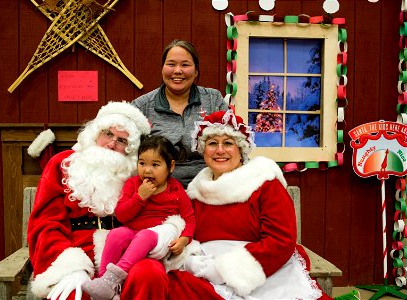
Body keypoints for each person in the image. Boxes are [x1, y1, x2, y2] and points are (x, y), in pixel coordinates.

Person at [120, 109, 332, 300]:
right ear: (203, 151)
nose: (220, 150)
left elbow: (280, 241)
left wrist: (224, 270)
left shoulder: (264, 184)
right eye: (212, 144)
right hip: (202, 273)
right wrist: (188, 258)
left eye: (228, 143)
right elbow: (180, 229)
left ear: (241, 150)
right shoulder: (196, 191)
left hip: (261, 274)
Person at [26, 101, 151, 300]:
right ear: (95, 133)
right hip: (72, 248)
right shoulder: (63, 163)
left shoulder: (134, 175)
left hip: (122, 252)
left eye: (122, 141)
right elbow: (45, 223)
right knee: (71, 294)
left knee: (145, 281)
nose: (111, 144)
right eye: (108, 134)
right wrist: (70, 266)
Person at [81, 135, 196, 300]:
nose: (147, 170)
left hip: (158, 241)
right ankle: (105, 283)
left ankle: (114, 279)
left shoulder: (175, 189)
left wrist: (184, 239)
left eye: (155, 165)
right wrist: (139, 197)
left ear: (170, 167)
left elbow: (190, 219)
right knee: (116, 234)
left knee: (145, 235)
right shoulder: (133, 184)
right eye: (142, 163)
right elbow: (122, 215)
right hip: (133, 235)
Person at [132, 39, 228, 188]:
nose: (178, 70)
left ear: (196, 71)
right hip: (158, 191)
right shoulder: (141, 107)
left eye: (185, 65)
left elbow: (233, 144)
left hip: (210, 187)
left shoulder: (213, 99)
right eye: (171, 64)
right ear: (162, 68)